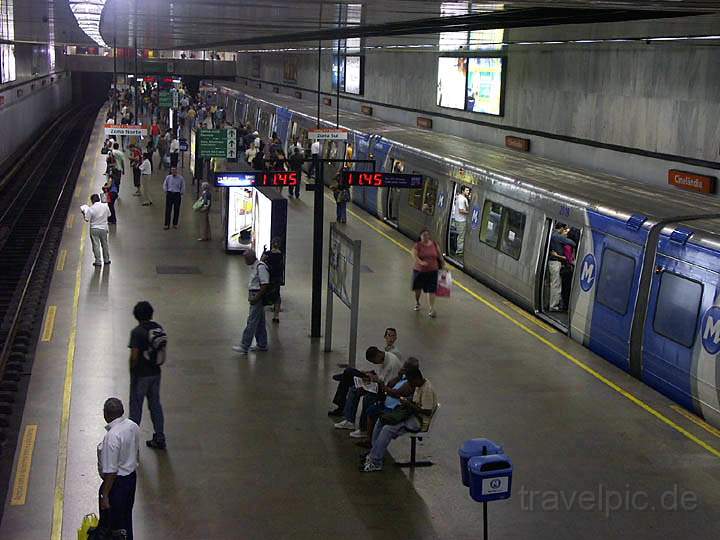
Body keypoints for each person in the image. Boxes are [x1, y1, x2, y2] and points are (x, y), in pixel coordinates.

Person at [361, 366, 437, 472]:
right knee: (382, 420)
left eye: (410, 381)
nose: (410, 384)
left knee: (388, 429)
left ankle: (376, 461)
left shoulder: (427, 390)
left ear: (416, 379)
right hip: (412, 415)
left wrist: (408, 404)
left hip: (418, 421)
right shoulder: (419, 385)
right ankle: (373, 452)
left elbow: (427, 411)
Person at [97, 397, 139, 539]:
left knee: (114, 526)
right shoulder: (133, 426)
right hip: (131, 479)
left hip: (117, 484)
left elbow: (111, 471)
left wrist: (105, 495)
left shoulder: (112, 436)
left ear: (106, 414)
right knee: (126, 519)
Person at [334, 346, 402, 432]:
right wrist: (370, 375)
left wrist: (372, 382)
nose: (375, 364)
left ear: (377, 356)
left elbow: (388, 386)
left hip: (389, 392)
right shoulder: (383, 358)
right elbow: (380, 376)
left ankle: (363, 428)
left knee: (368, 398)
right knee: (354, 389)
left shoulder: (391, 364)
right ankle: (349, 420)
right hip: (379, 385)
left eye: (374, 362)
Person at [128, 301, 167, 450]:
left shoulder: (137, 332)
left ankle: (132, 442)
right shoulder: (158, 328)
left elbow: (134, 356)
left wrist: (132, 370)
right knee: (155, 405)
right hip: (156, 374)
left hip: (141, 376)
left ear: (136, 316)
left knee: (136, 407)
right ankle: (159, 436)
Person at [353, 357, 419, 444]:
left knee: (379, 417)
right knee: (371, 409)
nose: (402, 368)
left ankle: (375, 443)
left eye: (405, 367)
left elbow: (395, 393)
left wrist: (381, 384)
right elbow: (390, 385)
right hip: (387, 403)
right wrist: (398, 377)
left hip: (395, 409)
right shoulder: (402, 378)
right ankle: (369, 438)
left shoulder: (411, 383)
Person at [233, 250, 270, 355]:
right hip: (254, 295)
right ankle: (262, 344)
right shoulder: (255, 266)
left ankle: (244, 345)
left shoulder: (260, 267)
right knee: (260, 321)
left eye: (246, 259)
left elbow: (264, 284)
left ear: (251, 258)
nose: (245, 261)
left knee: (252, 321)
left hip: (257, 296)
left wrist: (256, 298)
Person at [412, 229, 443, 317]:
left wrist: (443, 263)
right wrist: (421, 262)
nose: (426, 237)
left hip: (433, 271)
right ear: (420, 236)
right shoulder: (417, 246)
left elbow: (439, 255)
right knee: (418, 289)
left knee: (431, 290)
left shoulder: (434, 244)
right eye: (424, 235)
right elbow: (414, 255)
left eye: (427, 235)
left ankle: (431, 309)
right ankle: (417, 302)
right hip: (420, 271)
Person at [548, 223, 577, 312]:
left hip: (552, 262)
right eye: (564, 229)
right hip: (555, 263)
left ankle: (553, 303)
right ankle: (553, 306)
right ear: (561, 228)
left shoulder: (552, 234)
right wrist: (564, 236)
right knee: (556, 285)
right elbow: (573, 243)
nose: (564, 231)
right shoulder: (557, 236)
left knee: (554, 284)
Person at [81, 194, 111, 267]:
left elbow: (87, 219)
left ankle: (98, 261)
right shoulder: (105, 206)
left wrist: (83, 213)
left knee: (96, 245)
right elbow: (109, 215)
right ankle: (106, 260)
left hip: (94, 229)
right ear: (98, 199)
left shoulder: (91, 209)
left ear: (92, 200)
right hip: (104, 228)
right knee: (105, 244)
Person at [261, 238, 284, 322]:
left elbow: (261, 261)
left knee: (264, 293)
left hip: (268, 277)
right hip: (277, 278)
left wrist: (264, 252)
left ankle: (261, 313)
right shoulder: (281, 255)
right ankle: (276, 316)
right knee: (277, 296)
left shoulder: (268, 254)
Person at [451, 186, 470, 256]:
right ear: (463, 191)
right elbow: (461, 210)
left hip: (457, 219)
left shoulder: (459, 197)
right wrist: (469, 213)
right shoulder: (462, 199)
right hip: (461, 220)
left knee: (459, 235)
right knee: (461, 236)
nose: (468, 192)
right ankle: (459, 251)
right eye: (467, 190)